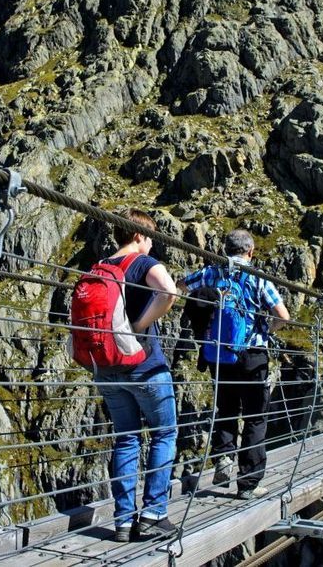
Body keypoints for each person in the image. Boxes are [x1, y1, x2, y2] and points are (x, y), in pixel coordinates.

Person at [177, 229, 289, 499]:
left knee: (226, 407)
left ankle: (224, 459)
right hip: (252, 354)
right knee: (255, 417)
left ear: (225, 249)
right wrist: (266, 331)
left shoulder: (211, 272)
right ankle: (248, 484)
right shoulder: (259, 278)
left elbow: (180, 286)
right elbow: (282, 315)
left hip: (220, 355)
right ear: (250, 251)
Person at [93, 209, 179, 542]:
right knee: (164, 434)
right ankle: (155, 514)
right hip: (145, 366)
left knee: (127, 438)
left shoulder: (99, 267)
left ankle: (124, 521)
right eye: (151, 238)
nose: (152, 245)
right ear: (140, 236)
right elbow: (169, 292)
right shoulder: (142, 263)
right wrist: (140, 327)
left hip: (108, 370)